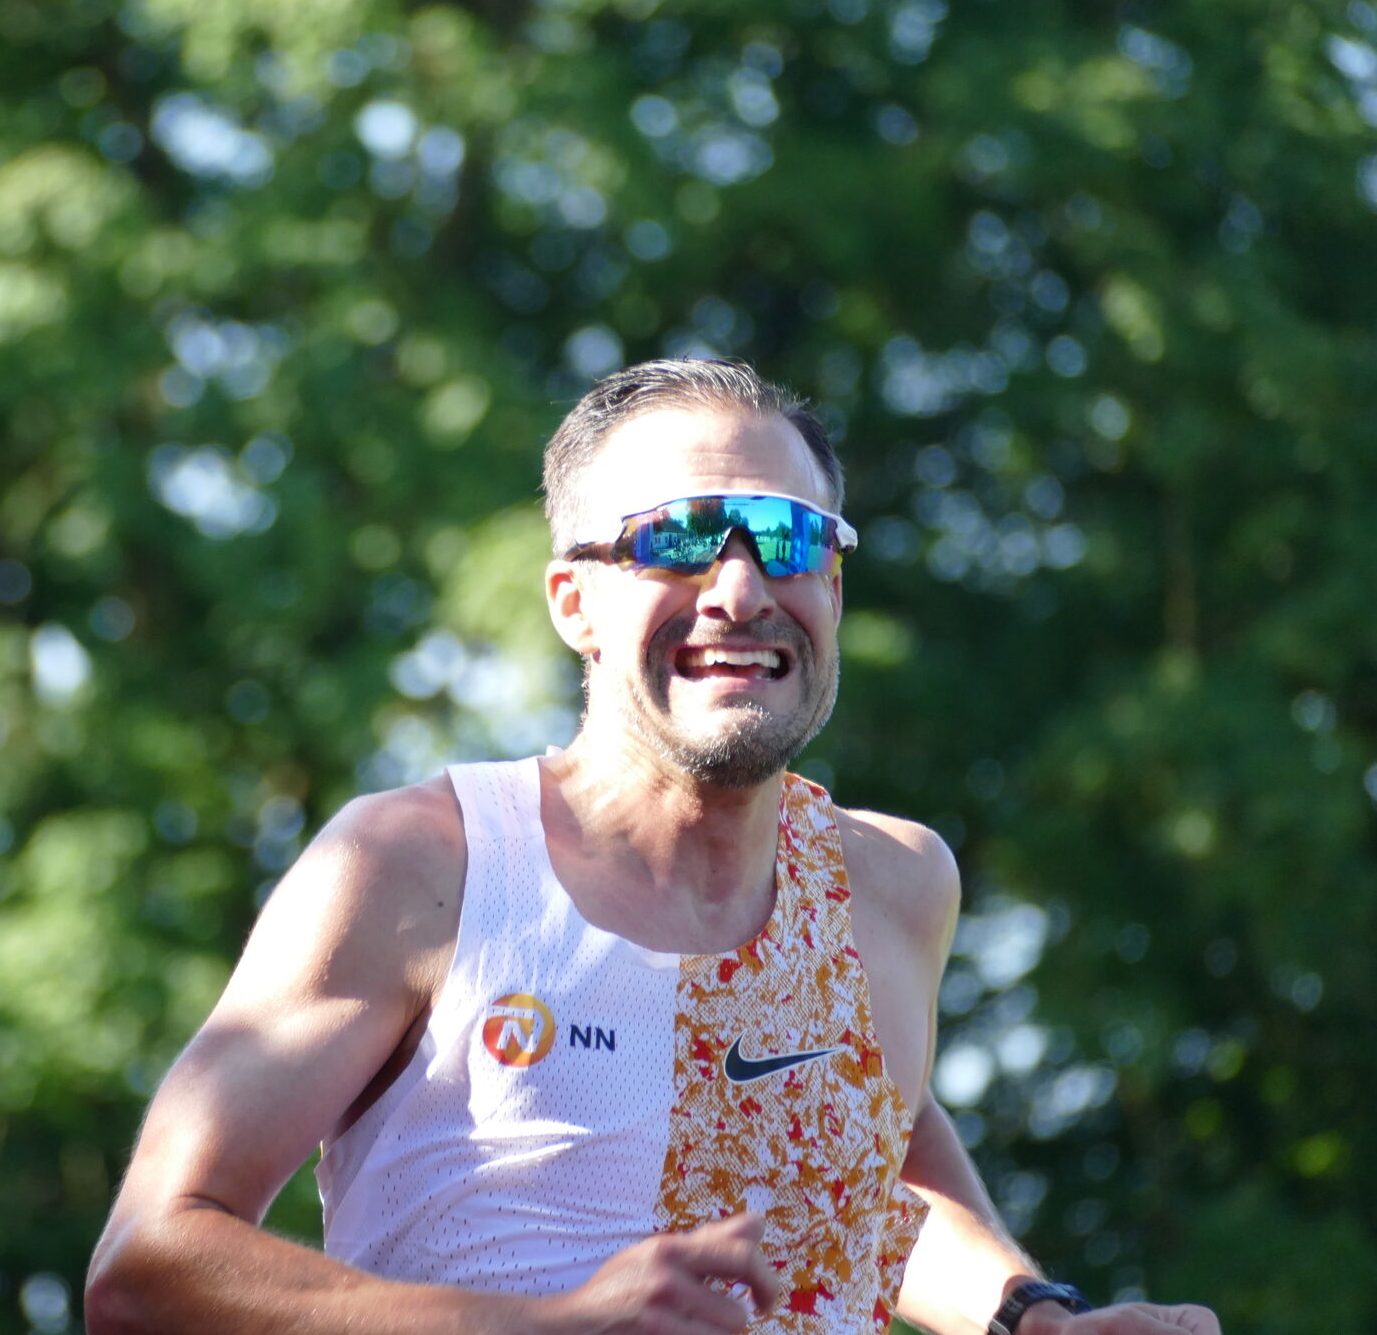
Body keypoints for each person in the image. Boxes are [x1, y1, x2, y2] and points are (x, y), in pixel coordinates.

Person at [85, 360, 1219, 1335]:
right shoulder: (421, 864)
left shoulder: (894, 885)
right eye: (677, 539)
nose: (739, 588)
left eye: (787, 538)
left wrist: (1032, 1315)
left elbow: (871, 1158)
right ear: (572, 602)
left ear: (831, 585)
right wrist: (543, 1325)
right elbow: (145, 1266)